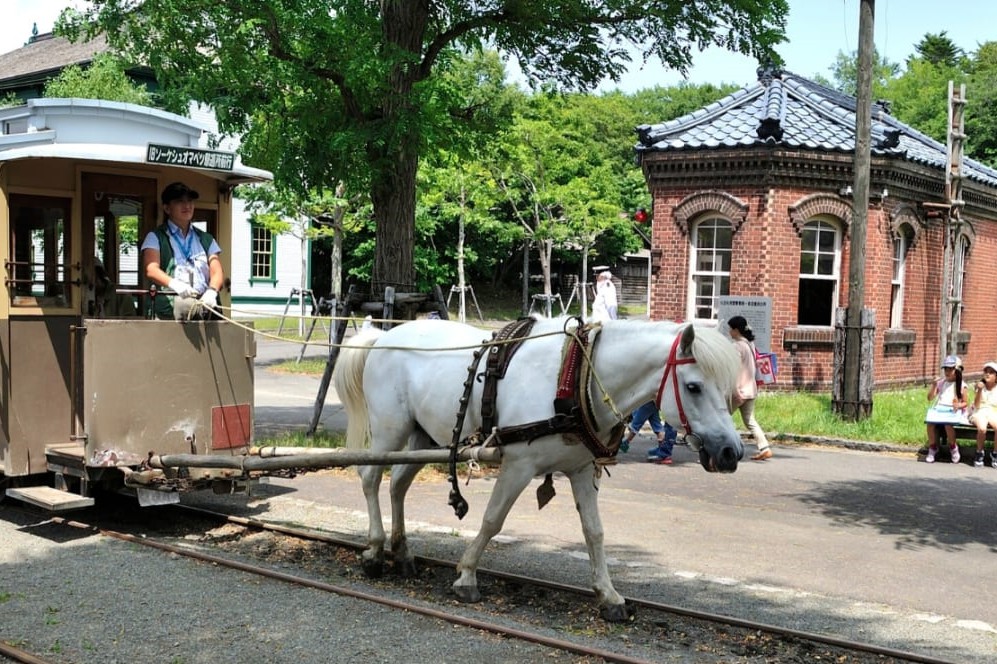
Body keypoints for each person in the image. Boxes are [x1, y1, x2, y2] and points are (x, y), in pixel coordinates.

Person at [141, 182, 224, 320]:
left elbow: (217, 271)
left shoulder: (206, 239)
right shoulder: (155, 237)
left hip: (205, 309)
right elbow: (151, 269)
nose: (187, 206)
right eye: (180, 201)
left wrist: (212, 291)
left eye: (190, 201)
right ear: (167, 208)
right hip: (170, 314)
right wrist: (175, 284)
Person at [727, 315, 773, 461]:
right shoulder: (750, 344)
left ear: (736, 330)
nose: (729, 332)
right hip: (751, 389)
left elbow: (732, 371)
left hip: (739, 391)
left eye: (730, 329)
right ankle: (764, 447)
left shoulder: (736, 347)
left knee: (723, 418)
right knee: (750, 421)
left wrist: (733, 391)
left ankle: (730, 447)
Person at [924, 354, 968, 464]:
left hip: (953, 411)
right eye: (946, 369)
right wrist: (934, 385)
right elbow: (930, 398)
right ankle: (933, 447)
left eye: (951, 369)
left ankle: (953, 447)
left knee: (948, 425)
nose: (947, 372)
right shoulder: (942, 383)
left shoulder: (962, 385)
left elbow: (965, 403)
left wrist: (958, 405)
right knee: (930, 424)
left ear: (957, 370)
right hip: (940, 409)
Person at [969, 361, 997, 467]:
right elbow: (976, 405)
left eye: (991, 372)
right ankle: (979, 452)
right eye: (986, 372)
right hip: (980, 411)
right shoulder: (980, 386)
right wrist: (979, 390)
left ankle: (995, 453)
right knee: (982, 428)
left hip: (993, 412)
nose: (987, 374)